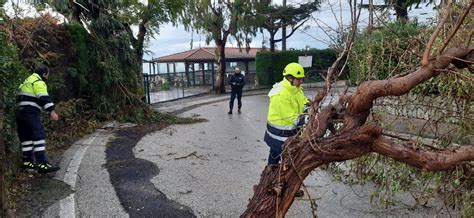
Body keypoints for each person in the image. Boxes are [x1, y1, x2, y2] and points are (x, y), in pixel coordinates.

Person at [263, 62, 309, 196]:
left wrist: (309, 106)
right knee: (284, 161)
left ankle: (279, 185)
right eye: (298, 79)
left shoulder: (295, 89)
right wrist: (308, 119)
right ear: (289, 78)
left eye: (301, 79)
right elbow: (291, 117)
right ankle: (276, 185)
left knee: (281, 160)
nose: (300, 81)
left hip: (289, 133)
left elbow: (302, 102)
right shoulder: (281, 93)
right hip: (278, 135)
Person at [16, 64, 60, 173]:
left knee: (26, 137)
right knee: (39, 134)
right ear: (44, 74)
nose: (47, 77)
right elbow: (43, 97)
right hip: (30, 112)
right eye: (48, 75)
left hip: (20, 113)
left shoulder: (26, 81)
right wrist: (52, 111)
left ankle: (28, 163)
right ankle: (42, 163)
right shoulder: (38, 82)